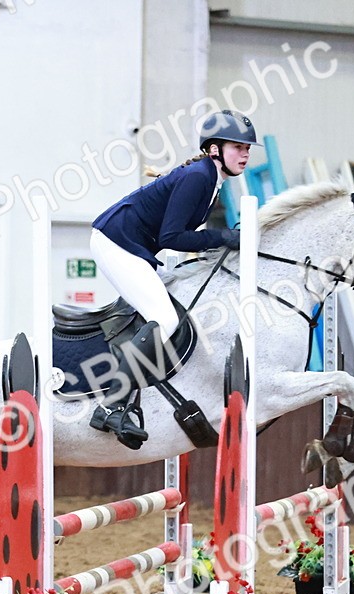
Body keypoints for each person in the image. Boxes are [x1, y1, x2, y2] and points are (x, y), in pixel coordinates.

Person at [88, 109, 257, 447]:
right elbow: (171, 238)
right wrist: (222, 237)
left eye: (247, 148)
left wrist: (220, 238)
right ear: (214, 149)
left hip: (132, 245)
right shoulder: (199, 176)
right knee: (163, 318)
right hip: (117, 242)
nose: (245, 153)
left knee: (173, 303)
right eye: (237, 146)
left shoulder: (210, 179)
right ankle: (112, 404)